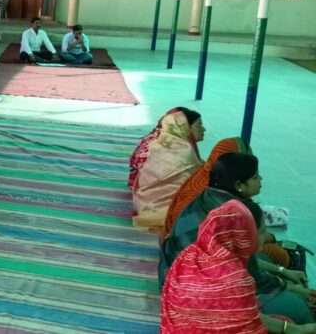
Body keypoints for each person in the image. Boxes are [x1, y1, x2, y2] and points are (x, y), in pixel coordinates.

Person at [161, 153, 315, 325]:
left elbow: (244, 262)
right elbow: (250, 276)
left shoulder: (209, 196)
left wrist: (282, 272)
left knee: (266, 259)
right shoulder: (234, 218)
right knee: (295, 306)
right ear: (239, 185)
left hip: (176, 278)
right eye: (255, 177)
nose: (261, 179)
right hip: (194, 296)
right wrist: (289, 287)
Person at [161, 200, 316, 334]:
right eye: (262, 231)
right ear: (244, 235)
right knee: (294, 309)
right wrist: (298, 329)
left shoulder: (191, 254)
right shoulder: (234, 277)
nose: (266, 236)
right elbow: (248, 323)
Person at [131, 108, 204, 232]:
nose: (203, 129)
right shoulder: (184, 152)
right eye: (199, 125)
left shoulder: (159, 144)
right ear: (185, 128)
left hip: (143, 201)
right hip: (159, 207)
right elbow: (196, 185)